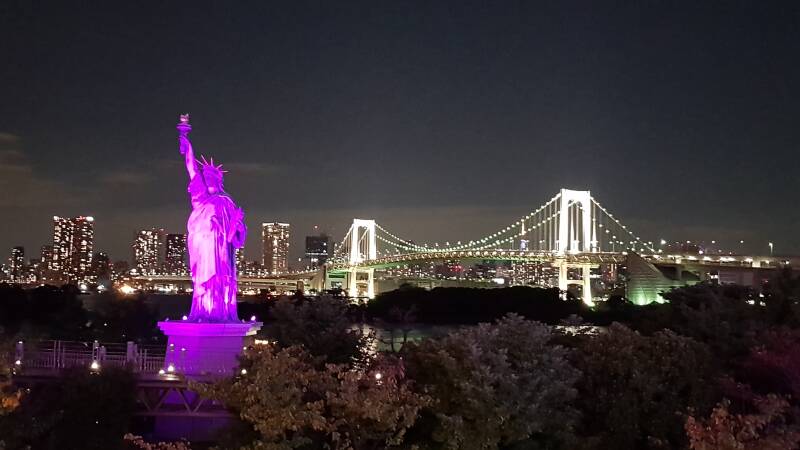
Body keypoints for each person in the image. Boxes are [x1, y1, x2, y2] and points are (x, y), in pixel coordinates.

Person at [178, 115, 246, 322]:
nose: (207, 180)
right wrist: (185, 138)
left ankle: (218, 311)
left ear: (218, 179)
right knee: (202, 278)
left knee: (220, 277)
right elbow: (191, 166)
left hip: (219, 246)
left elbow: (235, 235)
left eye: (211, 177)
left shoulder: (226, 201)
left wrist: (236, 224)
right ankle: (203, 311)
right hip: (202, 244)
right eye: (205, 177)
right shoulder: (200, 196)